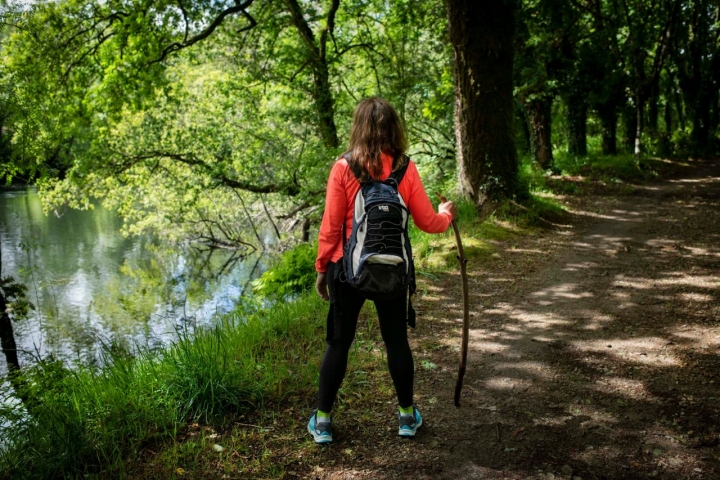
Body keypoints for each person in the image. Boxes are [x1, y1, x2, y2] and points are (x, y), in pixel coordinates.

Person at [309, 97, 457, 444]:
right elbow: (428, 223)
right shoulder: (406, 168)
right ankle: (407, 417)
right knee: (396, 342)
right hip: (392, 271)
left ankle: (324, 422)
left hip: (347, 272)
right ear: (394, 127)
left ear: (358, 127)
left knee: (339, 344)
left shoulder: (343, 167)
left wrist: (321, 269)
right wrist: (447, 214)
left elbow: (331, 228)